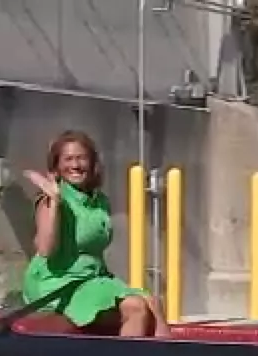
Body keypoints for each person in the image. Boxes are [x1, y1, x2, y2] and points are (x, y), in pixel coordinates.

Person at [21, 130, 170, 338]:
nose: (75, 165)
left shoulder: (100, 201)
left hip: (92, 280)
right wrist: (54, 200)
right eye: (68, 159)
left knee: (155, 303)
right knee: (136, 308)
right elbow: (45, 249)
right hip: (59, 283)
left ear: (92, 164)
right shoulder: (50, 200)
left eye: (81, 158)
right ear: (57, 166)